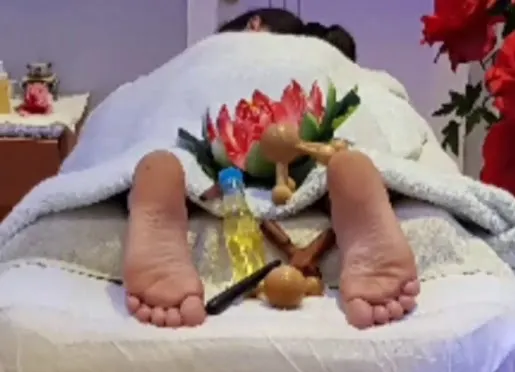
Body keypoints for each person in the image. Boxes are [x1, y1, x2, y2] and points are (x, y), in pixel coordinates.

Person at [123, 10, 419, 330]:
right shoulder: (329, 63)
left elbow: (138, 100)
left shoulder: (214, 54)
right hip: (305, 141)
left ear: (254, 24)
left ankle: (162, 174)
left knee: (177, 149)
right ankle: (348, 177)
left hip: (223, 149)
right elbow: (389, 105)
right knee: (336, 151)